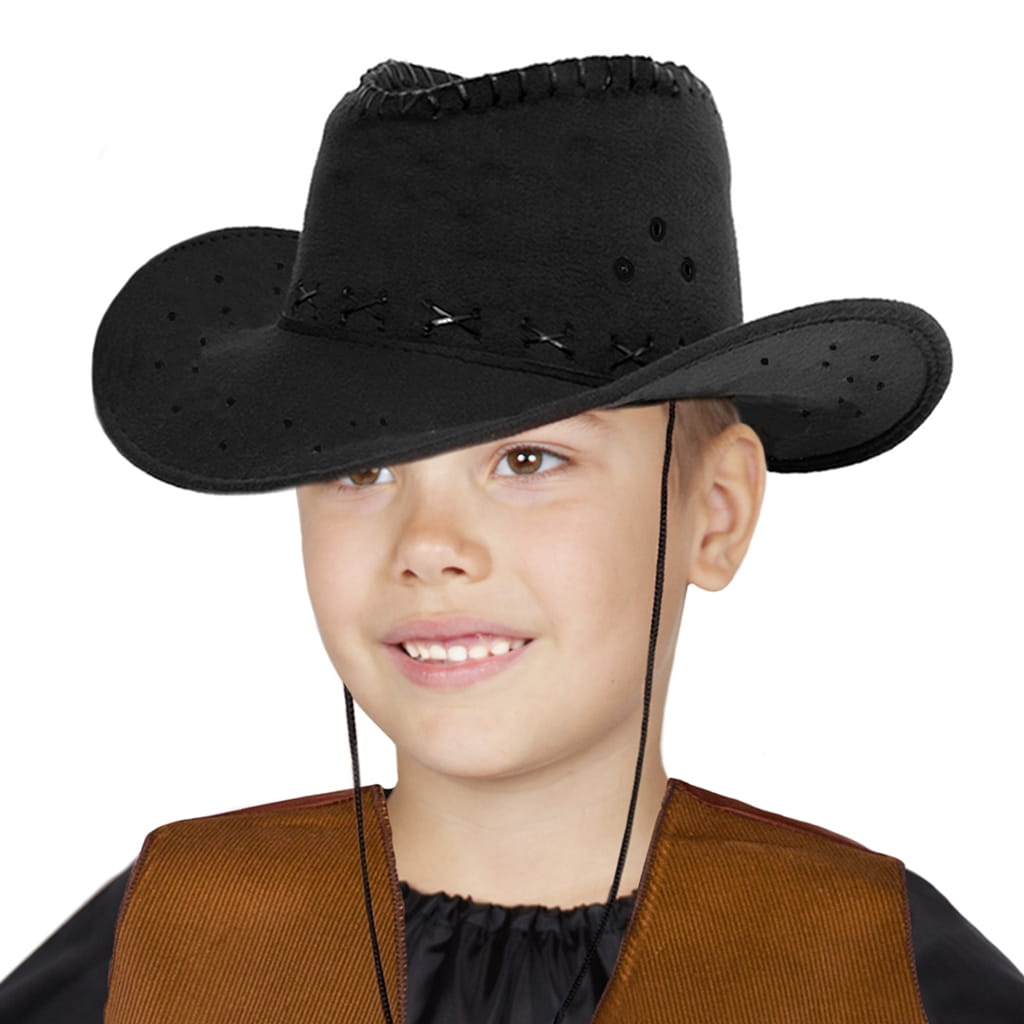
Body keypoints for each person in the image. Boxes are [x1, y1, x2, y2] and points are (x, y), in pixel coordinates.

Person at [1, 54, 1021, 1024]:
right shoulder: (161, 946)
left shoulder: (877, 970)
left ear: (715, 511)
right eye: (363, 468)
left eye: (529, 461)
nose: (429, 544)